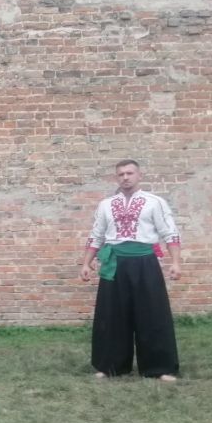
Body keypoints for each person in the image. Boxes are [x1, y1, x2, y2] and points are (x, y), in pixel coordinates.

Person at [79, 159, 182, 381]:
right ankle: (110, 366)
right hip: (114, 263)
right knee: (111, 315)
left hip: (145, 262)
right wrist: (86, 263)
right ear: (116, 177)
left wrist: (176, 263)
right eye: (121, 174)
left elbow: (169, 232)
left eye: (129, 173)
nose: (125, 177)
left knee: (153, 314)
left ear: (139, 175)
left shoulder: (155, 202)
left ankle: (159, 368)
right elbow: (96, 235)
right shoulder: (106, 205)